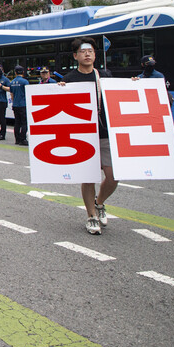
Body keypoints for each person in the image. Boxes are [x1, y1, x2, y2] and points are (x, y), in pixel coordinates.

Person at [60, 37, 117, 236]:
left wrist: (133, 84)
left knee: (113, 176)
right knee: (88, 177)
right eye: (83, 51)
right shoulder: (69, 79)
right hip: (82, 136)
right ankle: (91, 216)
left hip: (105, 133)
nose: (87, 54)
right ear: (75, 56)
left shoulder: (105, 76)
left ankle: (99, 202)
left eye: (91, 51)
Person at [10, 65, 29, 146]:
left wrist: (14, 102)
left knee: (17, 122)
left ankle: (17, 139)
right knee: (24, 123)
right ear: (23, 72)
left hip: (15, 105)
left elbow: (12, 95)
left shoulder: (12, 82)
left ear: (15, 72)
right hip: (23, 105)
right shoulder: (25, 82)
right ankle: (23, 139)